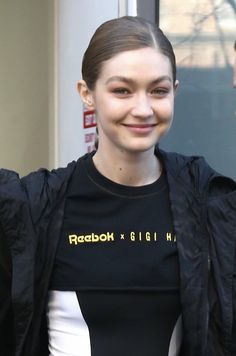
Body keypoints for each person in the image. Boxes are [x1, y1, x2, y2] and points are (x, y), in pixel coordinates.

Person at [0, 16, 236, 356]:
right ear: (87, 94)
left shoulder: (208, 205)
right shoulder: (35, 208)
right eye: (122, 90)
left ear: (175, 92)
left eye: (158, 90)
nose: (143, 109)